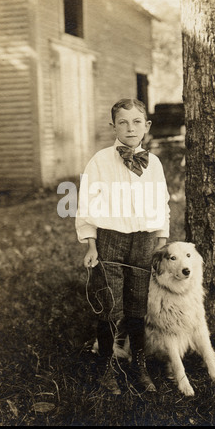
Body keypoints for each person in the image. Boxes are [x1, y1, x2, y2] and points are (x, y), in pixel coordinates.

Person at [75, 98, 170, 395]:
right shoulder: (100, 161)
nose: (130, 128)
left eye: (137, 122)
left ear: (147, 125)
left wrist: (161, 240)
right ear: (113, 126)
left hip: (142, 242)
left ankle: (138, 366)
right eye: (123, 122)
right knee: (109, 305)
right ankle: (107, 369)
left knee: (136, 306)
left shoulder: (153, 163)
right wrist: (91, 245)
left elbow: (161, 202)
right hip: (110, 240)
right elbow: (85, 205)